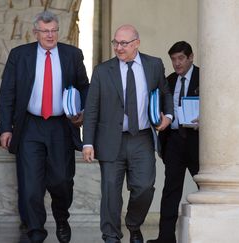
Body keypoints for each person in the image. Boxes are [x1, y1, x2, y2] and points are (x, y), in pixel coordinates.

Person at [0, 10, 89, 243]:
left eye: (54, 31)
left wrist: (83, 113)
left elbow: (84, 87)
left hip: (61, 126)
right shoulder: (20, 55)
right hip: (29, 126)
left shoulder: (72, 55)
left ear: (58, 31)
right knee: (30, 185)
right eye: (45, 31)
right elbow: (7, 92)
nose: (50, 35)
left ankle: (61, 218)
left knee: (61, 180)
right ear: (35, 32)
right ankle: (35, 232)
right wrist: (5, 127)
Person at [82, 24, 174, 243]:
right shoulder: (103, 71)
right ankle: (111, 236)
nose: (118, 48)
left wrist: (168, 116)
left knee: (144, 187)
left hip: (142, 138)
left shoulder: (153, 65)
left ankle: (133, 224)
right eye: (115, 43)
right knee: (111, 194)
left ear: (136, 43)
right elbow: (92, 108)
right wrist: (88, 143)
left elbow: (165, 93)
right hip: (110, 140)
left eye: (124, 43)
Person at [147, 41, 199, 243]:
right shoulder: (168, 81)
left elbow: (218, 106)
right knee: (170, 190)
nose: (177, 63)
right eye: (173, 59)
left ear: (190, 57)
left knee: (207, 187)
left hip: (197, 141)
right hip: (175, 142)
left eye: (181, 58)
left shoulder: (203, 77)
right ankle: (166, 237)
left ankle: (214, 231)